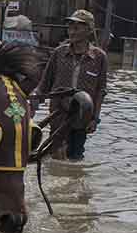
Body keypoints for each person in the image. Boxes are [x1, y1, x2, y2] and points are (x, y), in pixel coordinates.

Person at [35, 9, 108, 160]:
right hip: (58, 115)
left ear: (89, 30)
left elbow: (100, 91)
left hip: (82, 117)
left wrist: (95, 119)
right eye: (70, 28)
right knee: (56, 156)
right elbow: (44, 84)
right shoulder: (59, 53)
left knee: (75, 158)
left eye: (76, 28)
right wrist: (32, 105)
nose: (72, 32)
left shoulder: (99, 57)